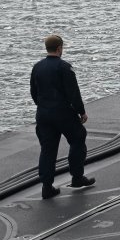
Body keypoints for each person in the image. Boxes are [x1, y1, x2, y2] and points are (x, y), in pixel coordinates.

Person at [30, 34, 95, 198]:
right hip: (63, 113)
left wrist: (43, 106)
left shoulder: (37, 67)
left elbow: (33, 92)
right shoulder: (64, 67)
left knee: (47, 149)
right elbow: (73, 93)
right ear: (59, 48)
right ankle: (77, 177)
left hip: (43, 114)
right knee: (78, 138)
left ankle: (47, 187)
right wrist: (81, 111)